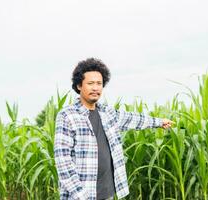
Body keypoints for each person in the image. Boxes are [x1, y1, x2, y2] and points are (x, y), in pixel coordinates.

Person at [54, 58, 173, 200]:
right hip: (81, 195)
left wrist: (159, 122)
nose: (95, 88)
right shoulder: (67, 116)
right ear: (79, 85)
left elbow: (132, 119)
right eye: (90, 83)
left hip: (107, 193)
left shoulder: (107, 113)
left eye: (99, 83)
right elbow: (63, 162)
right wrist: (81, 196)